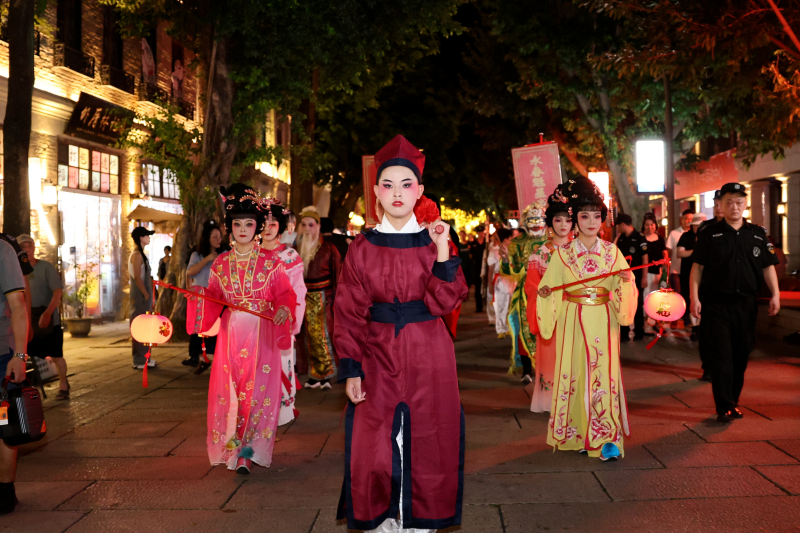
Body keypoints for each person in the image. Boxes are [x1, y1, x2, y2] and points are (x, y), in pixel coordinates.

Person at [334, 134, 467, 532]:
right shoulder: (361, 247)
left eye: (406, 185)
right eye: (388, 185)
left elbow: (446, 302)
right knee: (373, 445)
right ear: (376, 192)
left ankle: (420, 523)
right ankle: (385, 522)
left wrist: (442, 249)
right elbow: (348, 309)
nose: (397, 193)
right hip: (376, 353)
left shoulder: (435, 241)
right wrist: (351, 367)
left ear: (419, 191)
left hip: (429, 353)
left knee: (429, 439)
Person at [190, 184, 296, 474]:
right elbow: (215, 297)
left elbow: (285, 294)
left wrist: (283, 309)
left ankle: (248, 451)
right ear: (230, 228)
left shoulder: (271, 262)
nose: (243, 230)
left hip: (262, 333)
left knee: (257, 392)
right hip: (232, 333)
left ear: (257, 227)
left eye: (249, 224)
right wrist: (199, 297)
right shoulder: (221, 263)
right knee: (233, 391)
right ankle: (234, 448)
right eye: (237, 224)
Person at [536, 176, 637, 461]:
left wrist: (626, 281)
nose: (591, 221)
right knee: (576, 373)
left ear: (602, 219)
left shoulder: (612, 252)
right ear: (575, 220)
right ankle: (578, 434)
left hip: (604, 319)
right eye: (584, 216)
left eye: (596, 216)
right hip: (573, 318)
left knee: (603, 374)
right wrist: (545, 293)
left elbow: (624, 286)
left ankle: (606, 438)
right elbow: (549, 287)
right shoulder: (563, 254)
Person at [690, 182, 780, 423]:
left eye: (739, 202)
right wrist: (694, 297)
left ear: (745, 204)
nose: (734, 206)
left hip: (746, 305)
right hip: (716, 304)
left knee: (741, 354)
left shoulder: (757, 234)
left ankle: (732, 399)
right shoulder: (709, 234)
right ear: (721, 204)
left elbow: (768, 266)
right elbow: (697, 268)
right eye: (729, 202)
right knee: (722, 355)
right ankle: (725, 405)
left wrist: (776, 294)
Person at [524, 185, 573, 412]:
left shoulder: (579, 251)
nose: (563, 225)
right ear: (550, 224)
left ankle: (573, 400)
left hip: (575, 311)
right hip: (551, 313)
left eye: (567, 220)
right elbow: (531, 285)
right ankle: (551, 400)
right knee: (552, 357)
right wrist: (541, 292)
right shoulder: (540, 253)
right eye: (558, 220)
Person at [261, 202, 306, 426]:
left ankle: (280, 414)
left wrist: (291, 321)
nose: (268, 228)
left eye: (273, 223)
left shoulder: (289, 256)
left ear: (280, 226)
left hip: (281, 320)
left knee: (281, 364)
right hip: (255, 321)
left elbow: (299, 292)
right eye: (264, 223)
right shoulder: (249, 254)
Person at [17, 235, 69, 399]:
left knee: (56, 354)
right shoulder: (15, 271)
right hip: (27, 319)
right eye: (23, 247)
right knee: (22, 355)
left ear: (34, 248)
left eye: (29, 246)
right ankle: (22, 388)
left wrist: (48, 313)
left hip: (47, 317)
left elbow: (57, 292)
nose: (27, 250)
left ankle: (63, 385)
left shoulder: (45, 267)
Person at [500, 203, 548, 383]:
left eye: (538, 220)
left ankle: (546, 369)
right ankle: (527, 370)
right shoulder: (517, 244)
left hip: (549, 293)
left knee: (547, 331)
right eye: (531, 221)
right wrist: (505, 259)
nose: (535, 225)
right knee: (523, 330)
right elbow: (511, 270)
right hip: (525, 295)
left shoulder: (553, 242)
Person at [0, 234, 31, 515]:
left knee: (4, 425)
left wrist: (20, 356)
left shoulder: (3, 250)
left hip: (1, 354)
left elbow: (18, 306)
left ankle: (4, 490)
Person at [296, 206, 342, 389]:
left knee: (325, 335)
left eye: (311, 225)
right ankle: (314, 375)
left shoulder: (329, 248)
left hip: (325, 297)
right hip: (303, 297)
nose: (307, 229)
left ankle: (327, 375)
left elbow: (338, 274)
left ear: (318, 226)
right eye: (304, 225)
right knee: (307, 337)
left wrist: (337, 300)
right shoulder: (296, 250)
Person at [185, 220, 223, 372]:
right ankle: (200, 358)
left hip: (218, 298)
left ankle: (214, 358)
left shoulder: (224, 254)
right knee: (200, 329)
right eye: (215, 237)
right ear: (207, 238)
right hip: (202, 298)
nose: (219, 239)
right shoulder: (197, 254)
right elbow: (190, 272)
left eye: (220, 236)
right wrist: (208, 258)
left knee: (216, 329)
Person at [614, 214, 649, 341]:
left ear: (623, 225)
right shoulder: (621, 238)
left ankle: (639, 331)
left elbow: (645, 258)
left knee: (637, 304)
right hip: (623, 278)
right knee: (623, 303)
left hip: (637, 277)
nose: (618, 229)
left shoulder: (639, 238)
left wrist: (644, 277)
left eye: (618, 226)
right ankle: (624, 333)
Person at [676, 213, 708, 353]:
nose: (698, 228)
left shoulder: (707, 236)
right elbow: (680, 253)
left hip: (705, 274)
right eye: (696, 226)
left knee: (703, 299)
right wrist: (696, 252)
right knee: (691, 299)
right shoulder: (686, 236)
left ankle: (700, 327)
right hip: (688, 273)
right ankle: (694, 327)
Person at [129, 227, 156, 369]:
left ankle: (145, 357)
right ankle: (140, 359)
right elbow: (137, 277)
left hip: (143, 296)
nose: (149, 238)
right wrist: (146, 294)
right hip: (139, 297)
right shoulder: (137, 255)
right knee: (139, 326)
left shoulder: (140, 254)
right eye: (147, 235)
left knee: (145, 326)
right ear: (141, 237)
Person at [487, 228, 515, 338]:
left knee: (510, 304)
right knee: (500, 305)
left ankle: (508, 326)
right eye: (511, 237)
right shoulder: (494, 251)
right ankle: (500, 329)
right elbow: (490, 269)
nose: (512, 239)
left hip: (512, 280)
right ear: (505, 239)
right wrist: (489, 284)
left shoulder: (513, 250)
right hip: (500, 280)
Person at [641, 213, 668, 322]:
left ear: (655, 225)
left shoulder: (660, 239)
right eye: (647, 225)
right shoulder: (641, 239)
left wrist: (664, 259)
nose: (650, 227)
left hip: (658, 271)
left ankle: (656, 319)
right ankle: (646, 319)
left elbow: (665, 252)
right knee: (646, 295)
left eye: (652, 224)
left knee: (657, 296)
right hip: (646, 272)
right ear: (644, 226)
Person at [666, 209, 694, 299]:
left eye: (691, 219)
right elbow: (669, 251)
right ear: (681, 219)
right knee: (678, 295)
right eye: (686, 218)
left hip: (690, 270)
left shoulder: (696, 235)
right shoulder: (674, 233)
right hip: (676, 270)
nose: (689, 221)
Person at [468, 227, 487, 313]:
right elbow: (470, 255)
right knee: (478, 286)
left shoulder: (487, 242)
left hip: (486, 267)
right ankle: (479, 306)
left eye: (482, 231)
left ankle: (487, 305)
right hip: (477, 267)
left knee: (487, 286)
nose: (481, 233)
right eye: (479, 232)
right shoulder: (473, 243)